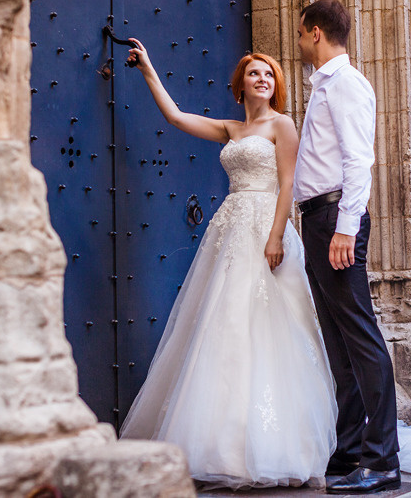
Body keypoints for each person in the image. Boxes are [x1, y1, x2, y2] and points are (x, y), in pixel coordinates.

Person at [118, 40, 338, 489]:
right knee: (225, 326)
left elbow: (289, 183)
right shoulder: (232, 129)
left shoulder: (283, 125)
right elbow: (176, 117)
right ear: (240, 85)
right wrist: (148, 68)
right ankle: (225, 444)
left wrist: (276, 236)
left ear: (275, 86)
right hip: (230, 232)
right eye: (254, 73)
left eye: (269, 74)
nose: (262, 79)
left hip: (265, 231)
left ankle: (280, 447)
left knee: (271, 327)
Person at [292, 0, 403, 494]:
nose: (297, 43)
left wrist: (345, 227)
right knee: (339, 343)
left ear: (315, 32)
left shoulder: (347, 84)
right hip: (318, 220)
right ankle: (350, 452)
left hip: (336, 220)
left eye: (299, 34)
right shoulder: (325, 86)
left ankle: (383, 460)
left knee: (360, 336)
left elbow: (360, 161)